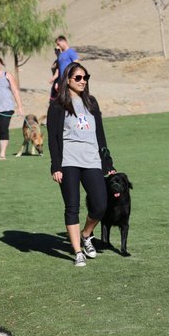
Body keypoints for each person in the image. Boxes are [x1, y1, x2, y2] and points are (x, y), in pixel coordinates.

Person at [47, 62, 116, 267]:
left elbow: (100, 135)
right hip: (69, 160)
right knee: (72, 206)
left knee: (101, 204)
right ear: (68, 79)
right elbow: (53, 139)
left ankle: (86, 235)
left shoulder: (92, 103)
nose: (82, 81)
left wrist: (107, 162)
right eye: (78, 78)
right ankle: (77, 251)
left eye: (85, 77)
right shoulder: (57, 106)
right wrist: (56, 166)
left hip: (92, 159)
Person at [49, 35, 79, 100]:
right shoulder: (61, 55)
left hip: (70, 80)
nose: (57, 46)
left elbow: (76, 64)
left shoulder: (71, 52)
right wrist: (54, 79)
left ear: (63, 41)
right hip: (62, 81)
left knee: (71, 98)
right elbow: (59, 69)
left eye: (58, 44)